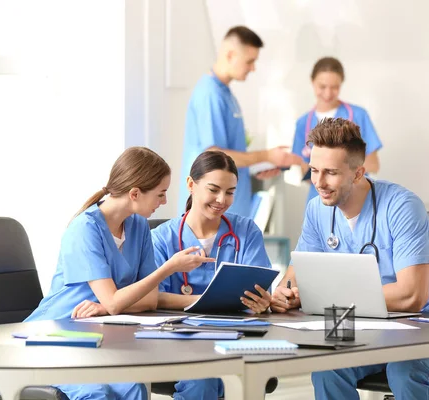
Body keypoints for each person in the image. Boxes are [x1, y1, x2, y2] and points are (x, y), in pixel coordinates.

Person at [271, 118, 429, 400]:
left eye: (331, 172)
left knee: (405, 370)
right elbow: (295, 278)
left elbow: (411, 297)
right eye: (314, 170)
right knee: (327, 368)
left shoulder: (402, 206)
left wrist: (325, 296)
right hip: (378, 329)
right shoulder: (318, 210)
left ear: (358, 173)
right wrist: (286, 294)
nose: (319, 182)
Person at [25, 147, 212, 400]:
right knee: (95, 394)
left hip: (97, 338)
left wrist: (109, 305)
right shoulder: (84, 230)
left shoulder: (138, 227)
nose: (164, 202)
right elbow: (114, 302)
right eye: (160, 194)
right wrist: (168, 267)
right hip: (55, 335)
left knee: (134, 388)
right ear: (135, 193)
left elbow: (149, 300)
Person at [152, 150, 273, 400]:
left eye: (230, 192)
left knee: (231, 373)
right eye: (213, 189)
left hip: (235, 335)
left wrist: (262, 301)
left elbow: (261, 288)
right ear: (190, 185)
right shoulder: (161, 238)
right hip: (179, 337)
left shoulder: (246, 231)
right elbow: (154, 298)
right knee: (205, 376)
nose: (222, 199)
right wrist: (208, 302)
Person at [180, 25, 302, 218]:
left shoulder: (226, 94)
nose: (253, 68)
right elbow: (214, 154)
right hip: (211, 214)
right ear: (230, 55)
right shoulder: (209, 94)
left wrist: (254, 169)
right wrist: (266, 156)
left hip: (230, 211)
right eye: (250, 61)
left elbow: (229, 156)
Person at [292, 57, 383, 204]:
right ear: (312, 82)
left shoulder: (358, 115)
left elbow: (373, 164)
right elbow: (304, 170)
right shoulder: (303, 123)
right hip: (320, 200)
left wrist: (340, 176)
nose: (328, 93)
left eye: (334, 87)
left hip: (355, 199)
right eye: (322, 86)